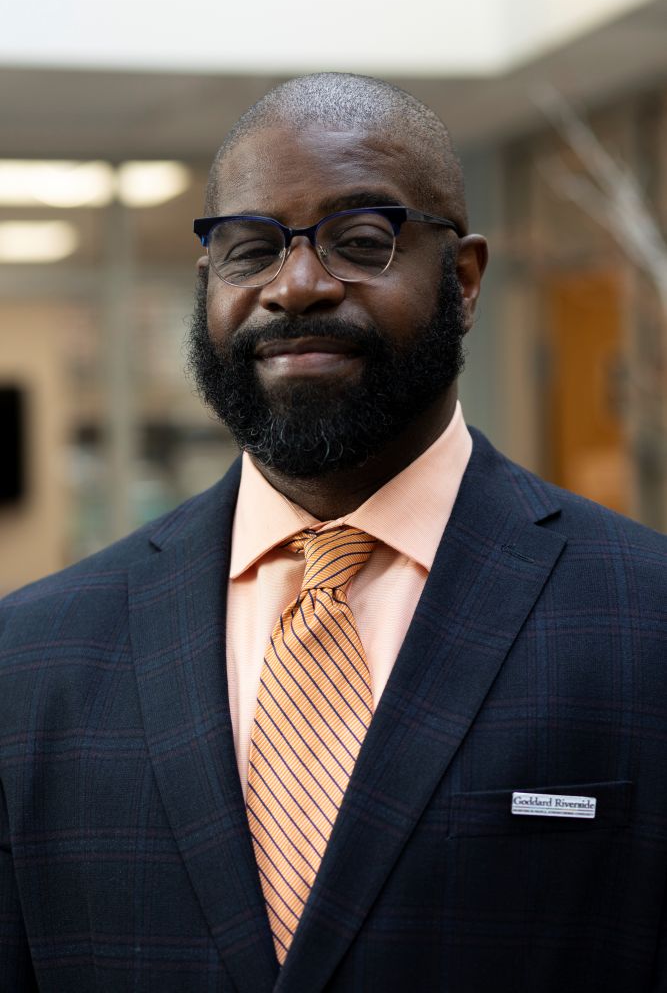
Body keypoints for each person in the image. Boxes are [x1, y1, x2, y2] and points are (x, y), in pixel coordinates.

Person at [1, 72, 666, 993]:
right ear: (209, 283)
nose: (297, 286)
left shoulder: (645, 617)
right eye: (249, 250)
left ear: (464, 281)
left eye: (360, 241)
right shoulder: (31, 657)